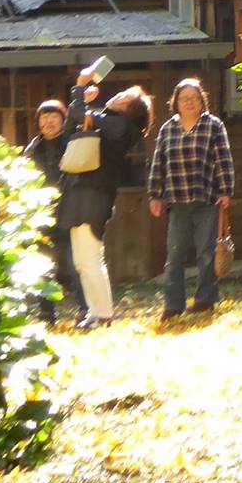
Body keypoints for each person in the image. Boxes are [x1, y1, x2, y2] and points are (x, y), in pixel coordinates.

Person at [57, 67, 155, 330]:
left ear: (130, 110)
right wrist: (83, 101)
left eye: (125, 96)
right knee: (82, 260)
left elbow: (78, 114)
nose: (118, 95)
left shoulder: (122, 126)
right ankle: (94, 312)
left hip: (93, 197)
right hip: (80, 194)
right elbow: (70, 128)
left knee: (89, 259)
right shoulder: (106, 120)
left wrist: (79, 84)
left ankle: (102, 314)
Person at [147, 76, 237, 322]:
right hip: (177, 202)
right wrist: (155, 194)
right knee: (174, 255)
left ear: (202, 101)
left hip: (206, 200)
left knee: (206, 253)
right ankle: (173, 304)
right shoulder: (167, 129)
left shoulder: (213, 125)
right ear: (175, 102)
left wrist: (225, 191)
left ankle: (205, 300)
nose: (190, 102)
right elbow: (159, 164)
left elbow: (224, 160)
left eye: (194, 98)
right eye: (184, 99)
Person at [22, 99, 82, 323]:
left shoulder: (70, 143)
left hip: (69, 211)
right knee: (44, 263)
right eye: (44, 118)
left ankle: (85, 309)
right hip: (41, 214)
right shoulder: (33, 147)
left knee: (73, 263)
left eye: (54, 117)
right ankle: (46, 312)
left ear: (63, 120)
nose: (49, 122)